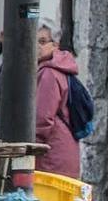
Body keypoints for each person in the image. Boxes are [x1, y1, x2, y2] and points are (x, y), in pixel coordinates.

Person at [34, 19, 81, 178]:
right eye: (35, 41)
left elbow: (42, 118)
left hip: (52, 155)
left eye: (42, 42)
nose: (37, 46)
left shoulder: (49, 73)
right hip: (65, 151)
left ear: (55, 45)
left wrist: (32, 150)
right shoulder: (61, 68)